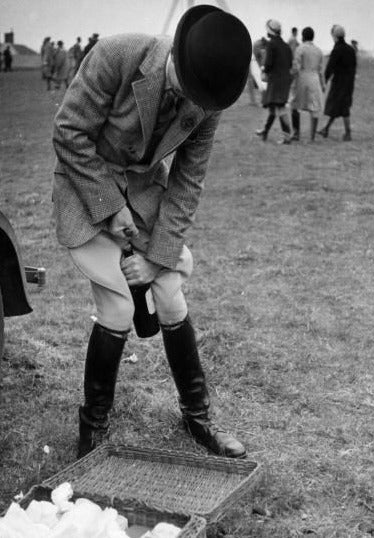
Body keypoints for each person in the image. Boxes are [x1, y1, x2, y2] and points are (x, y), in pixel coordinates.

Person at [52, 5, 252, 460]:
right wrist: (112, 207)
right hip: (85, 186)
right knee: (119, 309)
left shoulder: (209, 95)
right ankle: (93, 431)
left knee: (169, 296)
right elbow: (68, 134)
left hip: (144, 196)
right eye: (190, 87)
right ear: (177, 55)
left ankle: (198, 417)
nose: (195, 104)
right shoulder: (116, 55)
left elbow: (187, 182)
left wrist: (157, 258)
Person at [255, 19, 292, 144]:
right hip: (285, 80)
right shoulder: (286, 46)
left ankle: (287, 137)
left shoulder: (271, 44)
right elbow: (289, 64)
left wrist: (263, 68)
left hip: (275, 80)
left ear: (270, 30)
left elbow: (268, 64)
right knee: (273, 106)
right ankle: (265, 132)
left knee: (280, 108)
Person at [318, 25, 356, 141]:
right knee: (338, 106)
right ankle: (326, 129)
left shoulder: (337, 49)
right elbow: (354, 67)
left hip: (339, 83)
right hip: (349, 82)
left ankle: (348, 133)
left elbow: (330, 68)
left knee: (342, 108)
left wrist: (324, 81)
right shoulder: (350, 49)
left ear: (334, 36)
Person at [290, 27, 324, 142]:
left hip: (302, 79)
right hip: (315, 79)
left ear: (303, 36)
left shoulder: (300, 49)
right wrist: (323, 84)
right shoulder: (318, 51)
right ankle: (312, 137)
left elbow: (296, 67)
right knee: (314, 108)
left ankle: (296, 133)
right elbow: (320, 70)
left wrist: (291, 78)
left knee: (295, 105)